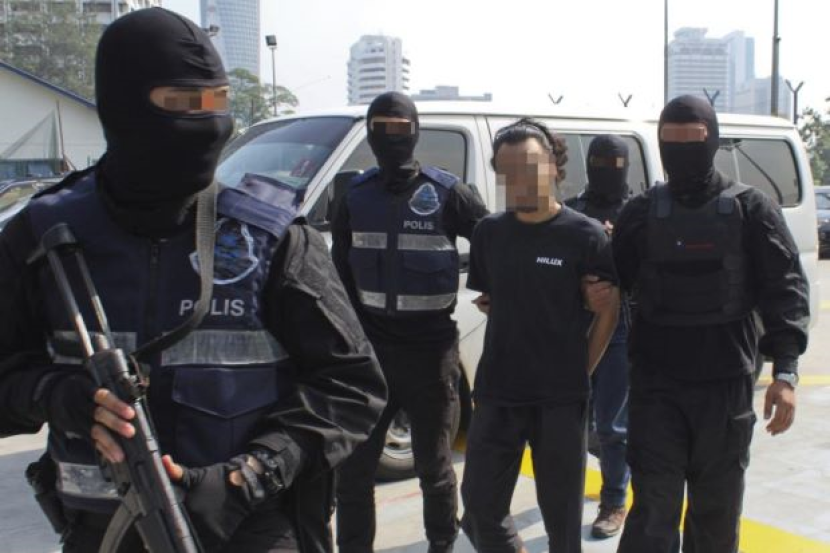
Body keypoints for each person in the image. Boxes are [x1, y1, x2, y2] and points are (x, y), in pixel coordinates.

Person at [0, 8, 386, 553]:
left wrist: (251, 475)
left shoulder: (270, 235)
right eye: (184, 103)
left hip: (249, 528)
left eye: (218, 102)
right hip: (102, 533)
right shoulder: (42, 237)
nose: (209, 122)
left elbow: (352, 386)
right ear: (123, 105)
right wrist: (55, 396)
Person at [585, 95, 810, 553]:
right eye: (671, 141)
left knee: (716, 510)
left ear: (713, 140)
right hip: (656, 388)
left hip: (725, 387)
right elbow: (608, 281)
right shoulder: (641, 212)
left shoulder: (751, 209)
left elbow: (785, 290)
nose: (682, 151)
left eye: (693, 140)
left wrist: (785, 373)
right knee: (654, 508)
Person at [331, 91, 488, 553]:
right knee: (354, 472)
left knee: (434, 467)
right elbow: (340, 273)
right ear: (369, 133)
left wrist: (493, 292)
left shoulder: (448, 193)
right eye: (380, 128)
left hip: (430, 355)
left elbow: (494, 244)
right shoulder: (354, 196)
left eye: (400, 128)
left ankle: (442, 544)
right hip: (370, 357)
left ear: (416, 131)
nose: (391, 137)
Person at [460, 118, 620, 553]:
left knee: (562, 521)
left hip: (559, 399)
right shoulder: (489, 232)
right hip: (498, 391)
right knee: (479, 506)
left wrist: (580, 369)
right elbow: (494, 298)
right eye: (508, 171)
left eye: (530, 166)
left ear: (552, 164)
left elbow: (608, 311)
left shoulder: (586, 235)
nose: (521, 179)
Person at [566, 135, 632, 539]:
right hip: (575, 326)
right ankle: (564, 495)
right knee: (569, 419)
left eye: (616, 164)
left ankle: (614, 500)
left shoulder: (638, 213)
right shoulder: (572, 210)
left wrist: (618, 241)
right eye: (600, 163)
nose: (608, 171)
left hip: (621, 328)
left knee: (611, 424)